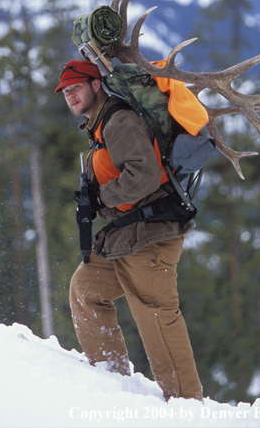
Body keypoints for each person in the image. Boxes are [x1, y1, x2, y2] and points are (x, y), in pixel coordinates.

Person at [55, 58, 203, 402]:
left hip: (151, 236)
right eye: (65, 90)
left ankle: (188, 407)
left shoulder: (119, 121)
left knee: (157, 317)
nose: (70, 95)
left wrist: (101, 198)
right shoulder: (100, 125)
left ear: (95, 85)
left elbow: (145, 175)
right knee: (86, 289)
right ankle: (113, 380)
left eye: (77, 87)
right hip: (128, 235)